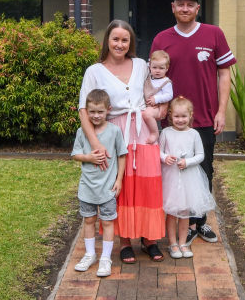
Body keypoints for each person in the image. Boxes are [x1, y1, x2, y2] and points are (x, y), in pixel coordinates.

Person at [151, 0, 235, 245]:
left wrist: (221, 111)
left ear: (197, 9)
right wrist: (158, 108)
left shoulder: (214, 34)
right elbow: (153, 77)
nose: (185, 8)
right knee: (174, 172)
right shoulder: (161, 39)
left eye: (190, 4)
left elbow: (224, 75)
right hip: (172, 121)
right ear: (173, 8)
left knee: (203, 169)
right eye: (180, 4)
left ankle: (200, 222)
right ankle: (180, 222)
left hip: (205, 119)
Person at [79, 20, 167, 263]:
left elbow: (159, 88)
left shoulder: (141, 65)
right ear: (107, 40)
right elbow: (83, 110)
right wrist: (96, 143)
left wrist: (161, 112)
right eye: (115, 39)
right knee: (123, 188)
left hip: (144, 131)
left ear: (131, 43)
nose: (120, 44)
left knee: (149, 185)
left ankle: (150, 239)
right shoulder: (94, 71)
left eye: (124, 40)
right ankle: (125, 241)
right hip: (114, 132)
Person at [71, 89, 126, 277]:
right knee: (89, 220)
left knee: (108, 222)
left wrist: (119, 180)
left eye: (100, 112)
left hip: (108, 188)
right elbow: (75, 154)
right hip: (87, 188)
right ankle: (90, 254)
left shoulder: (114, 131)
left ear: (108, 110)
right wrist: (88, 157)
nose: (96, 116)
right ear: (86, 111)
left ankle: (105, 258)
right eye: (92, 111)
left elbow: (122, 155)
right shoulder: (82, 132)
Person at [159, 97, 215, 259]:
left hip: (189, 178)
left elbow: (200, 156)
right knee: (171, 212)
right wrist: (165, 158)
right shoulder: (167, 133)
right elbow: (159, 151)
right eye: (177, 116)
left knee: (184, 213)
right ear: (170, 115)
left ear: (190, 116)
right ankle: (172, 244)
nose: (180, 120)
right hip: (171, 178)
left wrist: (187, 162)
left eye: (184, 116)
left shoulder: (194, 134)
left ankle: (183, 242)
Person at [141, 49, 173, 145]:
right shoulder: (148, 77)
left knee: (147, 114)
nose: (157, 71)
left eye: (161, 68)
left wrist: (157, 99)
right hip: (147, 105)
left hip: (157, 107)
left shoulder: (166, 82)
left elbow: (169, 95)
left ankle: (155, 133)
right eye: (154, 67)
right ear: (149, 66)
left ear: (167, 68)